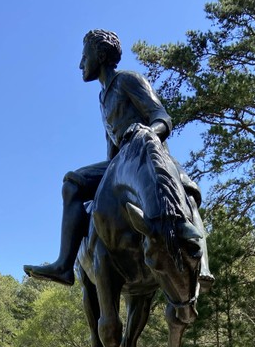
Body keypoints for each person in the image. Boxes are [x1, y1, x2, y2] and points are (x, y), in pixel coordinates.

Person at [25, 29, 212, 287]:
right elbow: (111, 145)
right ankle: (65, 265)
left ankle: (202, 263)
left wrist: (148, 131)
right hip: (121, 161)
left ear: (100, 55)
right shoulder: (103, 97)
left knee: (187, 193)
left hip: (148, 157)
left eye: (84, 56)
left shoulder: (128, 80)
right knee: (72, 183)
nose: (81, 64)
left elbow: (162, 117)